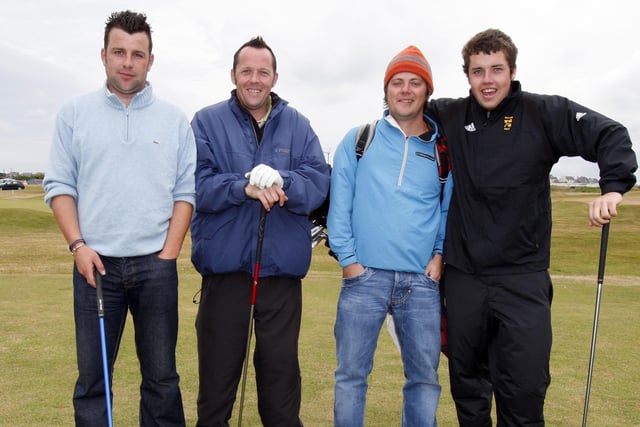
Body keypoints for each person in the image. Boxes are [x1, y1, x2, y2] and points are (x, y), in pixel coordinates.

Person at [429, 28, 638, 426]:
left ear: (512, 70)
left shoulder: (543, 113)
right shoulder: (452, 115)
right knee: (468, 387)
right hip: (465, 278)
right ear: (467, 75)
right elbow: (402, 108)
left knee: (523, 389)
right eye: (477, 71)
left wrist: (613, 188)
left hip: (522, 278)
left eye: (496, 69)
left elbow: (610, 133)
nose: (487, 80)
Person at [43, 10, 195, 426]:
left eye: (137, 54)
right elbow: (59, 186)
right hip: (95, 266)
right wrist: (78, 246)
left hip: (155, 266)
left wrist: (168, 254)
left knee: (162, 379)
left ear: (150, 60)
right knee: (93, 380)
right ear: (104, 55)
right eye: (119, 52)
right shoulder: (74, 113)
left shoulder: (175, 119)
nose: (128, 62)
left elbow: (185, 193)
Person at [190, 36, 330, 426]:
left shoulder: (298, 124)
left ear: (275, 76)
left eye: (262, 72)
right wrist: (243, 186)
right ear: (233, 75)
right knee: (217, 385)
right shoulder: (206, 121)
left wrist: (281, 180)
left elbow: (318, 182)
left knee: (281, 387)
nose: (254, 79)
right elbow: (195, 185)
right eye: (246, 71)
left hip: (280, 277)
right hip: (226, 273)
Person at [328, 45, 453, 427]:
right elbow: (340, 207)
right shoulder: (358, 139)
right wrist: (350, 264)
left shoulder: (442, 150)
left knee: (424, 380)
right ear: (386, 90)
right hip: (364, 280)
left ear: (426, 91)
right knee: (351, 377)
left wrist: (438, 256)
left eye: (415, 82)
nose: (405, 89)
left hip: (420, 282)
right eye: (397, 82)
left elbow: (447, 211)